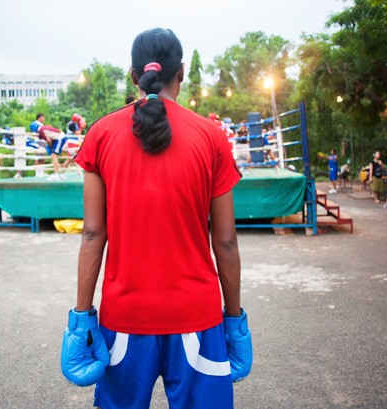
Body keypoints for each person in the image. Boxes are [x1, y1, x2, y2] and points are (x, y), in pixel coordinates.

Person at [61, 28, 252, 409]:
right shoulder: (212, 138)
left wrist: (81, 319)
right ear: (180, 72)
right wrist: (234, 321)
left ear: (134, 76)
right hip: (197, 316)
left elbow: (93, 235)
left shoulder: (100, 134)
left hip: (126, 318)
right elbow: (226, 241)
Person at [29, 113, 67, 180]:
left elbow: (49, 140)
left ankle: (56, 174)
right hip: (59, 137)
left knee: (54, 156)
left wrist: (50, 146)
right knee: (53, 155)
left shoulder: (41, 131)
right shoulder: (44, 127)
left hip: (59, 138)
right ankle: (58, 174)